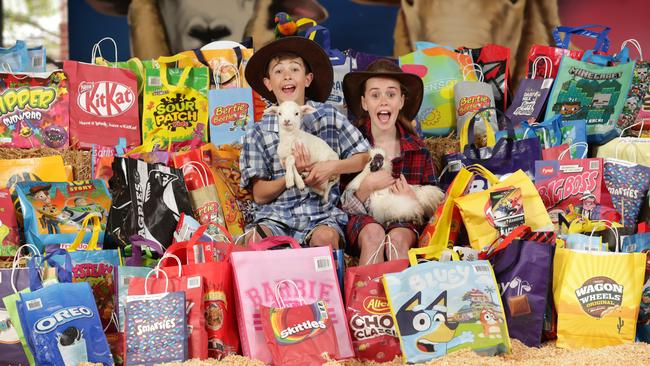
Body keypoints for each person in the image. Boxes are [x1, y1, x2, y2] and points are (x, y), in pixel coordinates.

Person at [240, 36, 370, 249]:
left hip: (321, 215)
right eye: (278, 71)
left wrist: (331, 167)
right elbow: (260, 195)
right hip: (276, 218)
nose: (287, 76)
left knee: (325, 239)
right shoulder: (258, 132)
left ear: (308, 79)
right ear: (268, 83)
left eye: (295, 69)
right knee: (255, 239)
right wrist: (291, 176)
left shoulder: (329, 117)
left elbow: (364, 157)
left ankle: (326, 276)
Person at [340, 59, 439, 264]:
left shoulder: (418, 149)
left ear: (401, 101)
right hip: (363, 223)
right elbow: (337, 207)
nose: (383, 101)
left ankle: (401, 295)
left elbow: (437, 206)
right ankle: (367, 294)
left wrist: (415, 198)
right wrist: (365, 189)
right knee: (373, 234)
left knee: (397, 239)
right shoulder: (351, 147)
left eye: (391, 94)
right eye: (375, 95)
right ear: (364, 102)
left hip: (404, 221)